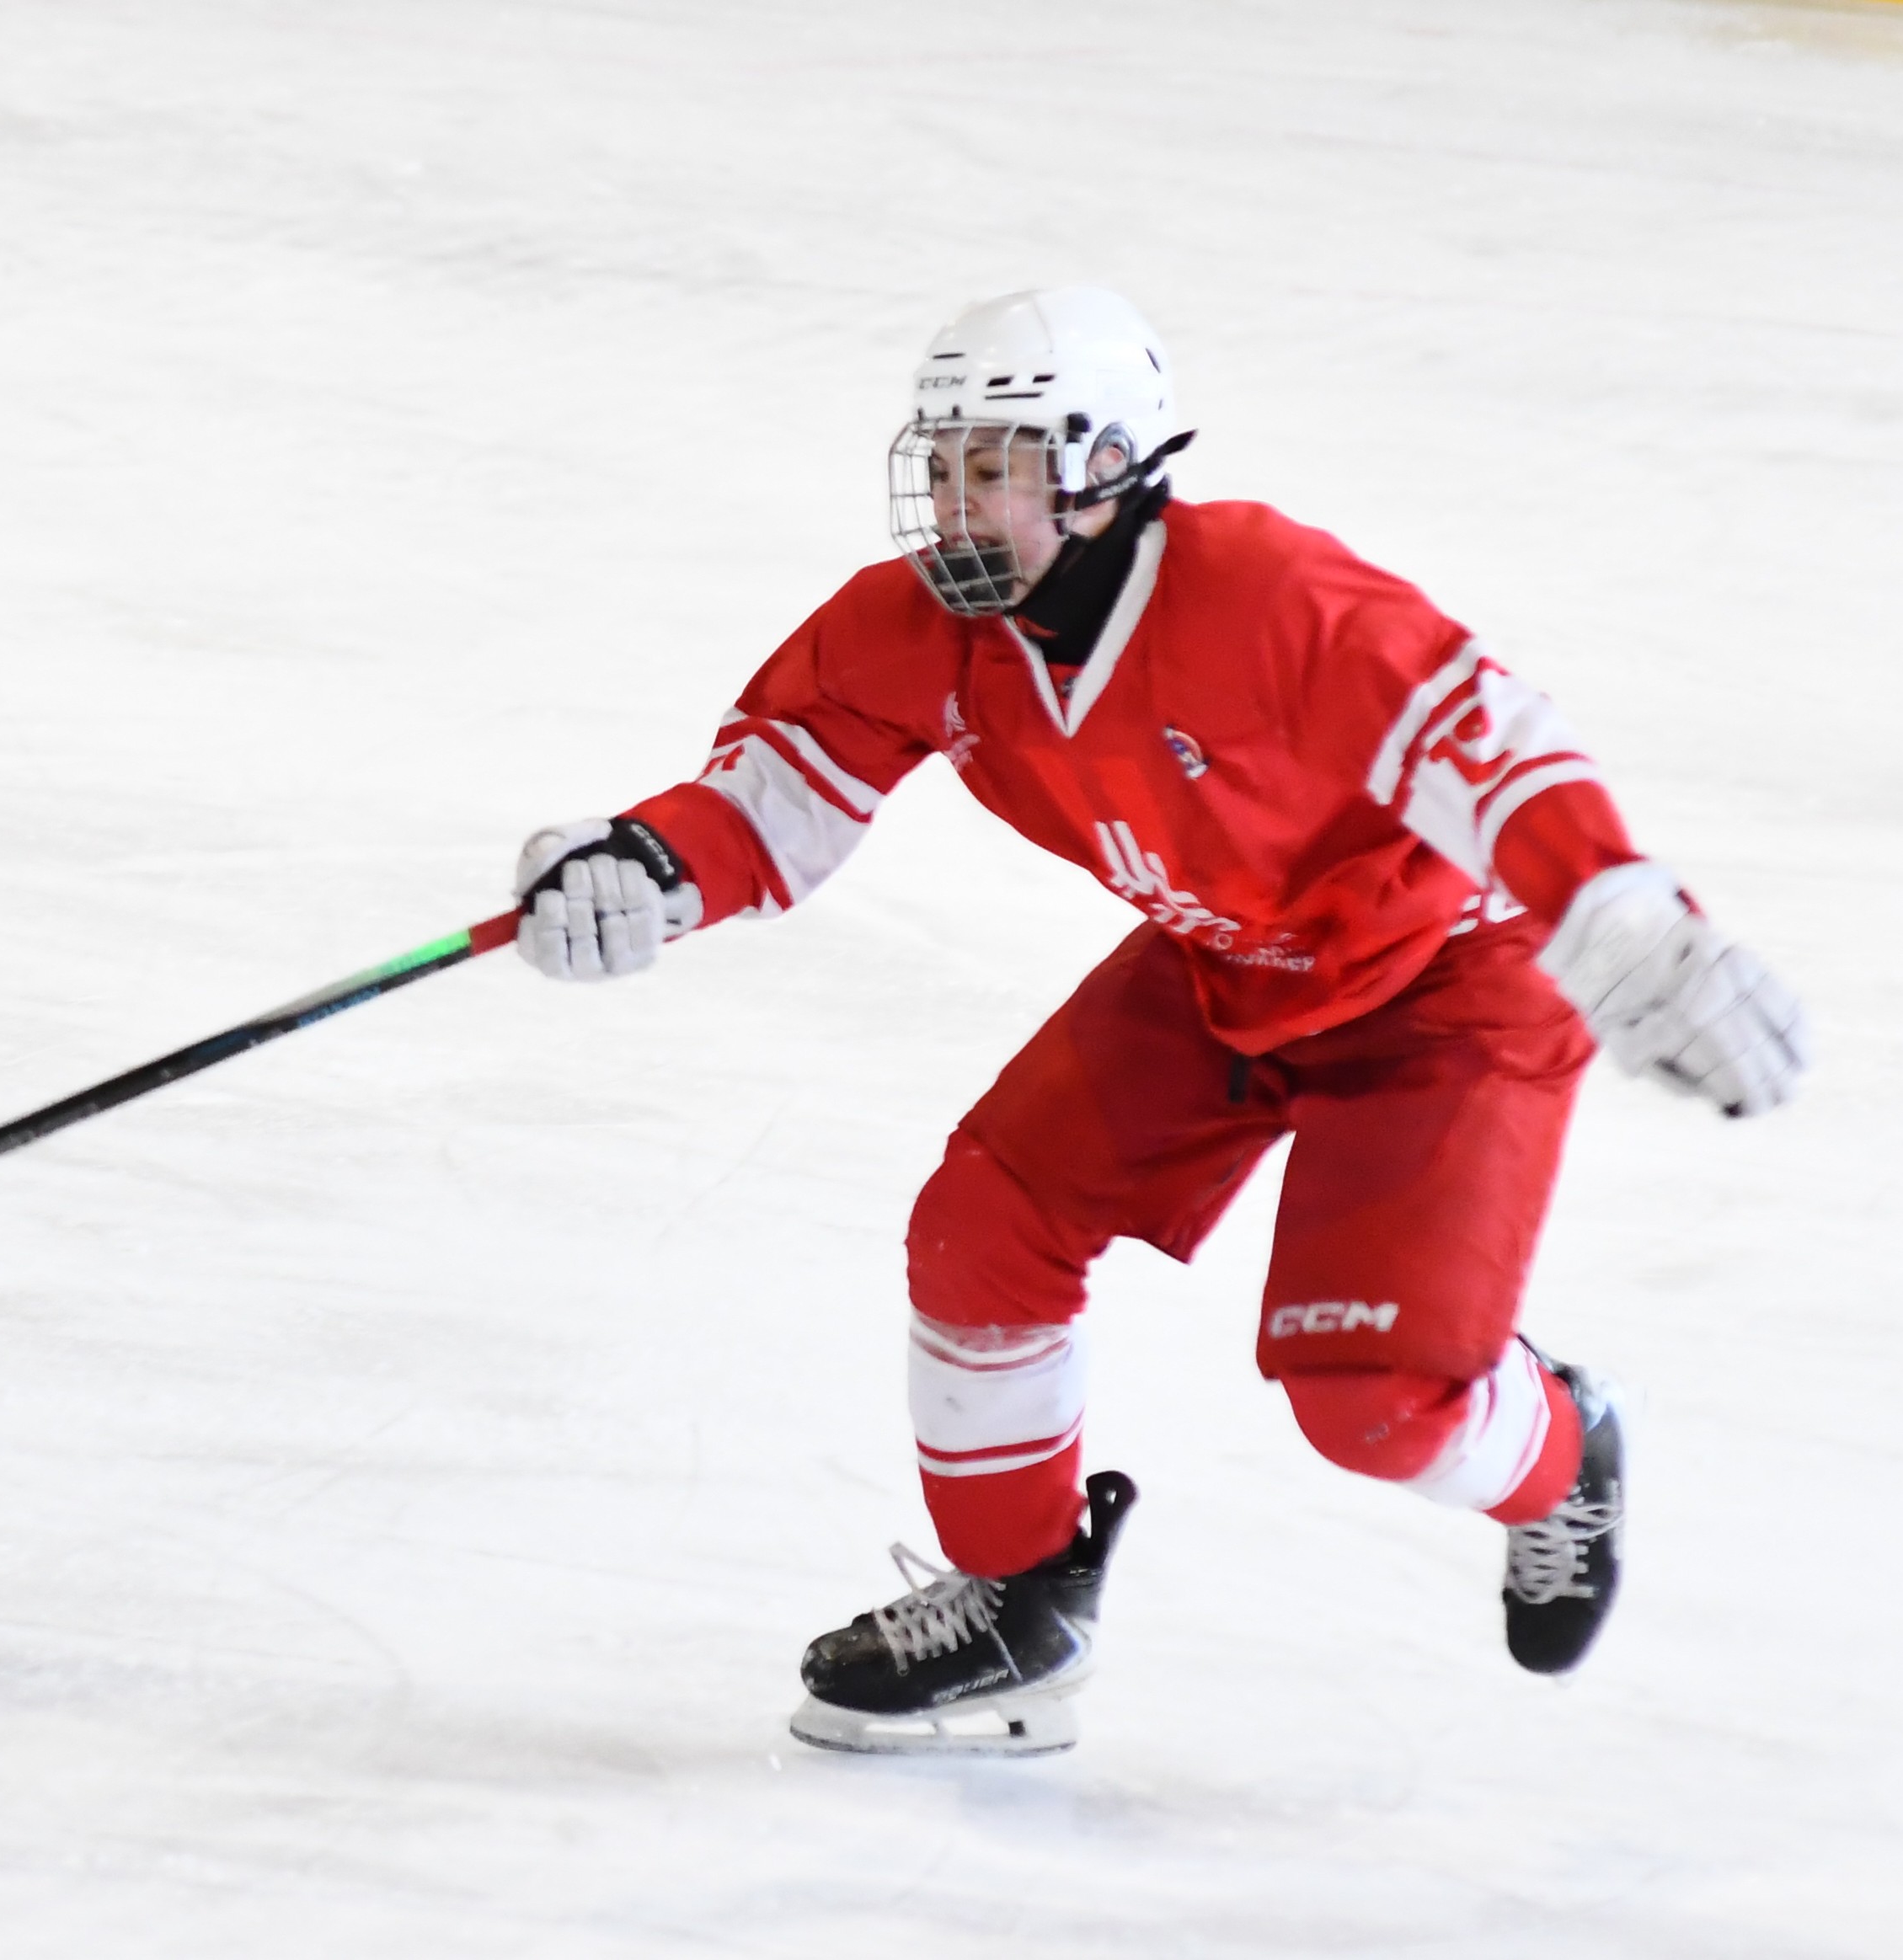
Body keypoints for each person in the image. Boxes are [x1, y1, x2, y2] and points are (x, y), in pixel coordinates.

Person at [507, 287, 1804, 1757]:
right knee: (981, 1228)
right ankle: (1017, 1606)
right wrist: (645, 865)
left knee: (1375, 1409)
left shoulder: (1267, 596)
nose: (955, 502)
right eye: (943, 464)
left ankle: (1564, 1448)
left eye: (995, 466)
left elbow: (1491, 750)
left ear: (1106, 466)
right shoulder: (922, 629)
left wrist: (1623, 921)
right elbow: (770, 795)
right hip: (1225, 968)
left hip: (1447, 986)